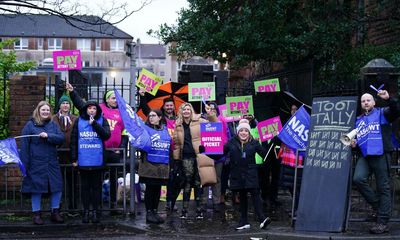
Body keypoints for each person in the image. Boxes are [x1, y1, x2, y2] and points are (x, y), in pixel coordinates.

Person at [66, 83, 127, 209]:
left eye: (117, 98)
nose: (115, 100)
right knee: (96, 181)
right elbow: (82, 106)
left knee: (114, 178)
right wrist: (72, 92)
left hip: (114, 152)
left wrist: (121, 149)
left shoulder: (123, 112)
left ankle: (113, 204)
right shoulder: (99, 109)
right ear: (107, 99)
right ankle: (95, 207)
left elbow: (126, 133)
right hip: (98, 152)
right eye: (113, 98)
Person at [352, 90, 399, 234]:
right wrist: (354, 144)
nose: (365, 102)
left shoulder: (382, 113)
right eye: (363, 101)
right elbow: (360, 140)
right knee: (358, 179)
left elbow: (397, 110)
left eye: (368, 100)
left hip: (380, 154)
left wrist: (389, 98)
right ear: (361, 104)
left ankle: (383, 221)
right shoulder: (358, 120)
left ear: (374, 102)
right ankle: (379, 207)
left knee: (383, 187)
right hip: (365, 157)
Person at [20, 101, 65, 225]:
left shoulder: (53, 124)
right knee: (36, 189)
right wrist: (24, 166)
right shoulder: (30, 125)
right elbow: (24, 147)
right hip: (36, 163)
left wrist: (48, 135)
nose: (45, 112)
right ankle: (36, 214)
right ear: (38, 111)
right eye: (43, 110)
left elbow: (61, 138)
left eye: (47, 110)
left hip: (51, 162)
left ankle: (55, 213)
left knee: (57, 187)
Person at [223, 121, 271, 230]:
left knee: (255, 194)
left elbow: (265, 155)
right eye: (241, 130)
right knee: (242, 196)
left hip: (251, 174)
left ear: (249, 132)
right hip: (237, 174)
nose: (243, 133)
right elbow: (220, 154)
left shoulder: (254, 143)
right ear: (237, 132)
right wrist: (206, 151)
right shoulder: (231, 142)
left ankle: (262, 218)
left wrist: (269, 143)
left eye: (246, 131)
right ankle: (243, 221)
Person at [173, 102, 216, 219]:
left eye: (188, 109)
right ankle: (184, 210)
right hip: (186, 157)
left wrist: (210, 114)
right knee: (187, 183)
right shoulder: (178, 125)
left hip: (200, 156)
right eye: (184, 109)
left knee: (198, 183)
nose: (186, 111)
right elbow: (176, 144)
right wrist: (176, 160)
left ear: (191, 111)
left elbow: (214, 125)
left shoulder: (200, 121)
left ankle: (199, 210)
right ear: (181, 112)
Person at [70, 100, 111, 223]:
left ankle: (96, 212)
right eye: (89, 108)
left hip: (97, 160)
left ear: (97, 110)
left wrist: (95, 125)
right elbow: (73, 140)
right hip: (83, 161)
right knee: (85, 188)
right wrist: (73, 158)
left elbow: (106, 135)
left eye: (94, 108)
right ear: (85, 110)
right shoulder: (78, 121)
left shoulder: (102, 120)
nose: (92, 110)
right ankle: (86, 211)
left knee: (97, 188)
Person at [139, 88, 177, 211]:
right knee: (152, 188)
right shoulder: (157, 122)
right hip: (152, 159)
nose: (169, 107)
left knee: (167, 182)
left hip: (168, 154)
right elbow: (146, 110)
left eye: (171, 105)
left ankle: (167, 204)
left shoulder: (178, 118)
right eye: (167, 105)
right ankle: (151, 212)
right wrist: (142, 96)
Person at [137, 109, 172, 224]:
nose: (151, 117)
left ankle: (155, 211)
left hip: (162, 165)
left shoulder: (165, 129)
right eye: (150, 115)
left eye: (154, 115)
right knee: (150, 189)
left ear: (160, 117)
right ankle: (149, 213)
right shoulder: (145, 129)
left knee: (157, 189)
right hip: (149, 164)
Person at [201, 102, 230, 212]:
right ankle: (204, 202)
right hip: (206, 155)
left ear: (217, 110)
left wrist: (225, 152)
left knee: (217, 179)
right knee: (205, 178)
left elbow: (227, 136)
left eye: (213, 108)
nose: (211, 110)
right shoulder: (203, 121)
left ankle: (216, 201)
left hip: (219, 154)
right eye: (209, 108)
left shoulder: (221, 120)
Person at [52, 94, 78, 210]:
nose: (65, 105)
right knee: (58, 183)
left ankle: (73, 206)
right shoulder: (53, 119)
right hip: (57, 155)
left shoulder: (75, 119)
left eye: (67, 103)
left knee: (72, 182)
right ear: (60, 105)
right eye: (63, 103)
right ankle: (58, 207)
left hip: (71, 155)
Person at [278, 104, 303, 212]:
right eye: (292, 109)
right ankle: (295, 207)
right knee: (288, 184)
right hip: (286, 157)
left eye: (295, 109)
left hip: (297, 158)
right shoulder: (288, 122)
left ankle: (298, 208)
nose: (293, 111)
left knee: (296, 185)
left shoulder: (303, 122)